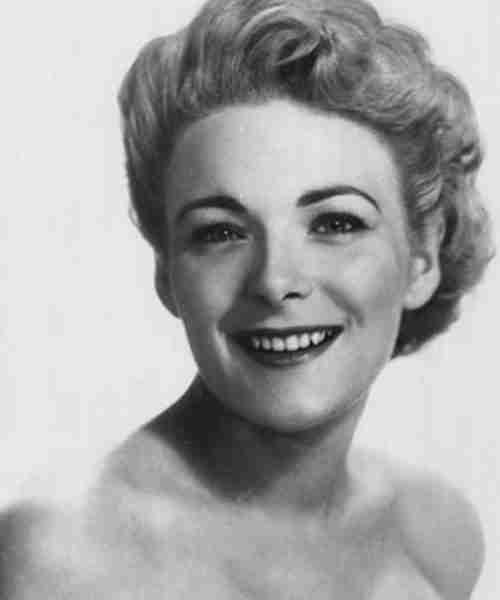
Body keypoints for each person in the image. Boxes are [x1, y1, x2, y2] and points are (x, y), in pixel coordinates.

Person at [1, 0, 493, 598]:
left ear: (424, 256)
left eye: (336, 223)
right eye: (220, 233)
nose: (275, 280)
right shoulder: (59, 562)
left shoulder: (435, 534)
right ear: (167, 272)